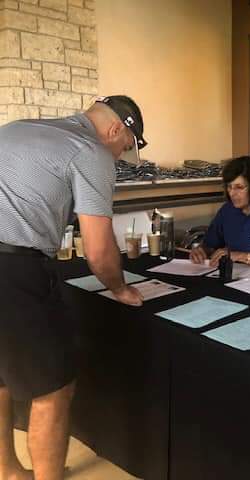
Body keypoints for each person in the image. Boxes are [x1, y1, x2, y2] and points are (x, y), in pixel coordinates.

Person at [0, 95, 146, 480]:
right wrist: (119, 289)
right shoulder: (90, 151)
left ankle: (8, 470)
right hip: (13, 269)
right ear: (115, 129)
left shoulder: (16, 129)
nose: (118, 157)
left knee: (0, 378)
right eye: (123, 148)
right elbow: (98, 252)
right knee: (53, 390)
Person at [190, 156, 250, 269]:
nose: (232, 193)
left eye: (239, 187)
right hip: (235, 274)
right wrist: (200, 251)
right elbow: (209, 245)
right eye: (229, 187)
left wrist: (239, 256)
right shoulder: (227, 211)